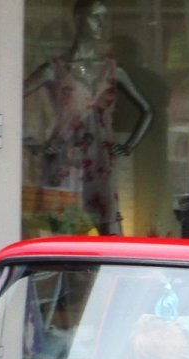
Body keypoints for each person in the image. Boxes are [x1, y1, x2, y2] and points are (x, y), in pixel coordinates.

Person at [24, 0, 154, 236]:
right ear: (78, 19)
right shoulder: (55, 69)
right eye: (95, 17)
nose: (101, 24)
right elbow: (8, 102)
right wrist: (33, 143)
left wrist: (128, 146)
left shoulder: (114, 71)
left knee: (109, 237)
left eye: (104, 18)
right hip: (66, 162)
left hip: (101, 164)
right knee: (63, 239)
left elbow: (147, 110)